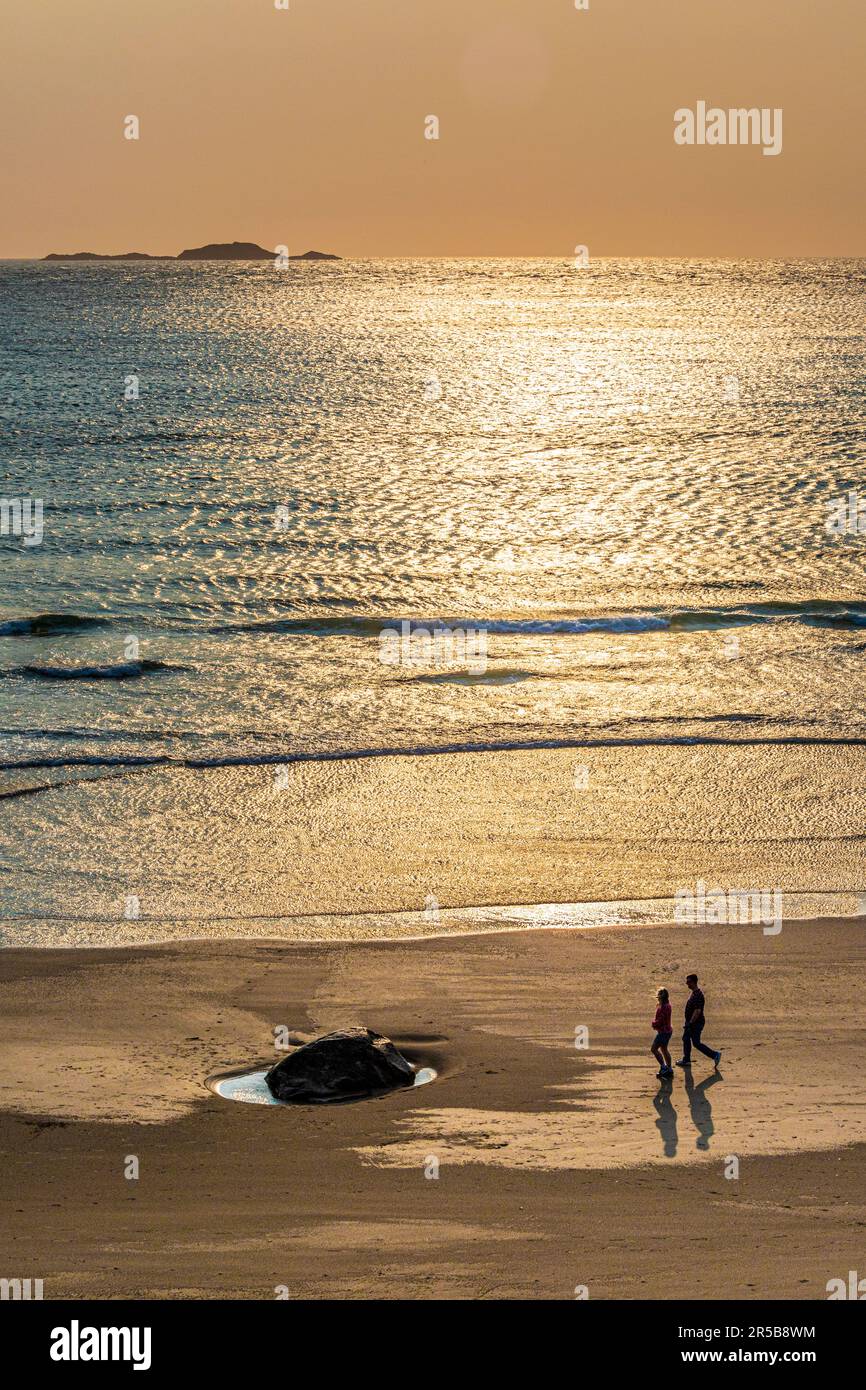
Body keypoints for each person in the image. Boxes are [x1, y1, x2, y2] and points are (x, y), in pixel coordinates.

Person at [675, 973, 722, 1069]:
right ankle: (687, 1059)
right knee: (687, 1039)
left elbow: (697, 1011)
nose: (687, 984)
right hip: (692, 1023)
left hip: (695, 1023)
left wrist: (690, 1023)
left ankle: (714, 1055)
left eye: (689, 982)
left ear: (694, 982)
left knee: (695, 1042)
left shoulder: (698, 995)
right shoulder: (694, 993)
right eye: (687, 982)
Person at [651, 987, 673, 1078]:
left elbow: (661, 1020)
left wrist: (653, 1024)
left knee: (654, 1049)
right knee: (664, 1049)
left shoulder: (664, 1007)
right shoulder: (668, 1005)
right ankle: (669, 1068)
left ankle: (663, 1067)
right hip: (668, 1031)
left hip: (663, 1032)